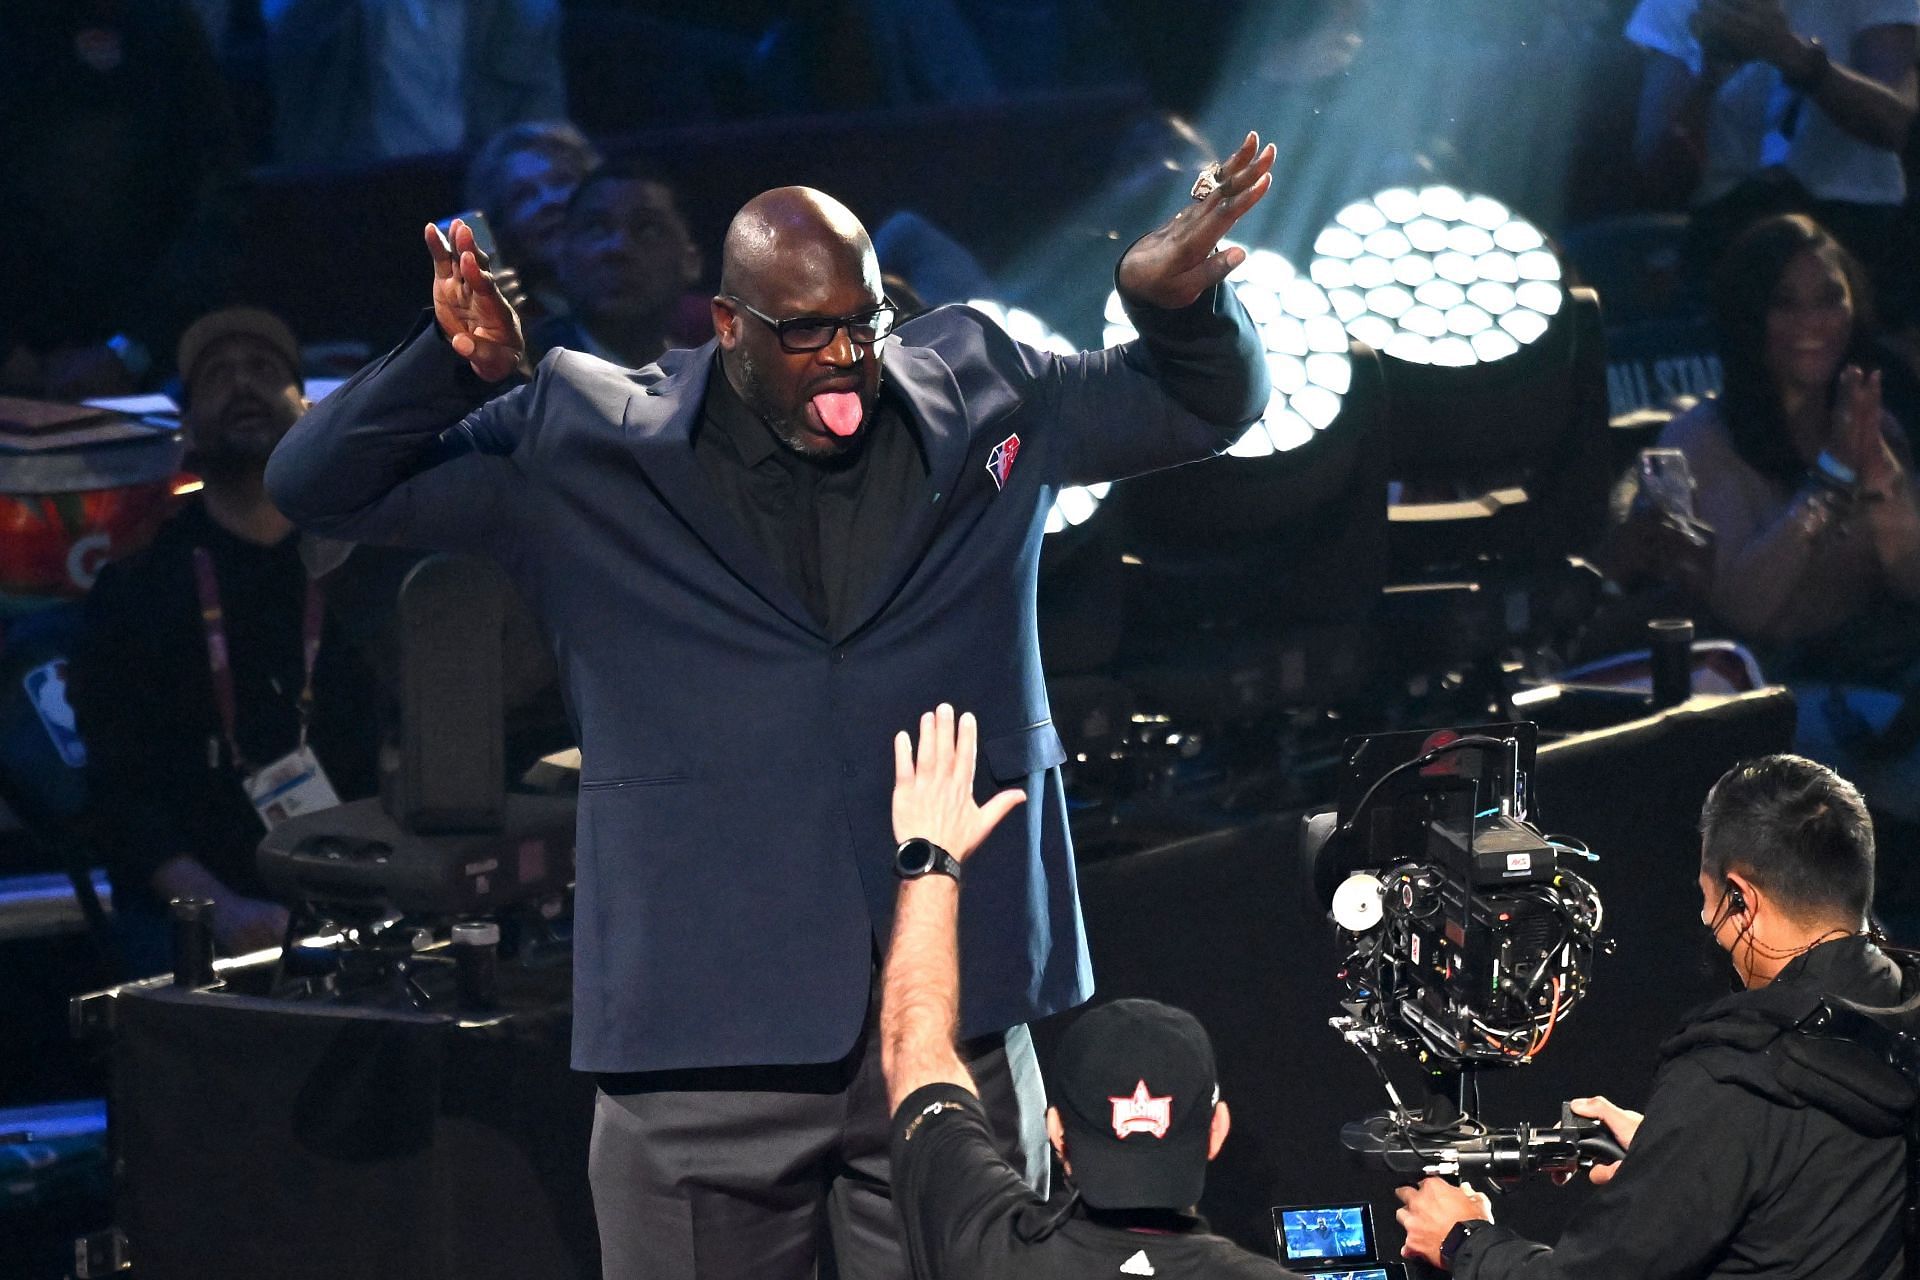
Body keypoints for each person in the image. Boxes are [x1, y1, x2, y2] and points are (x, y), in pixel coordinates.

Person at [265, 134, 1277, 1277]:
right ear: (728, 322)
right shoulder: (585, 436)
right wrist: (451, 366)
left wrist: (1170, 307)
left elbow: (1202, 406)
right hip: (702, 1036)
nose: (844, 359)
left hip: (950, 1019)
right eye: (807, 333)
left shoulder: (984, 390)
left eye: (862, 324)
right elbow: (315, 483)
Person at [1396, 753, 1918, 1279]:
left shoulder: (1731, 1079)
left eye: (1708, 898)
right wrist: (1677, 1151)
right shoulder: (1903, 1022)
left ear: (1742, 900)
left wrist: (1463, 1240)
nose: (1704, 918)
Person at [881, 703, 1302, 1279]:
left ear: (1056, 1135)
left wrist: (932, 861)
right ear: (1216, 1131)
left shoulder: (981, 1250)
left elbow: (914, 1044)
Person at [68, 308, 380, 975]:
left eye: (265, 371)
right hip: (199, 918)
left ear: (308, 413)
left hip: (366, 901)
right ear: (185, 427)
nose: (243, 385)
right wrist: (222, 910)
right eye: (217, 376)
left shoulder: (367, 574)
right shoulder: (138, 588)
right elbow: (121, 797)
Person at [1657, 215, 1920, 817]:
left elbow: (1912, 581)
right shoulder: (1701, 438)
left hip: (1879, 678)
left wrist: (1878, 473)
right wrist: (1829, 479)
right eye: (1785, 304)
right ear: (1751, 318)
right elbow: (1747, 607)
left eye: (1830, 300)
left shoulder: (1875, 427)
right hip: (1768, 707)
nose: (1813, 324)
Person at [0, 0, 245, 400]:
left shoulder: (167, 27)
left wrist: (132, 350)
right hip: (19, 367)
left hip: (148, 366)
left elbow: (219, 199)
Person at [1626, 0, 1918, 283]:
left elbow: (1895, 127)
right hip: (1725, 229)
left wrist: (1789, 53)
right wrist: (1709, 75)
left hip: (1852, 223)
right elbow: (1656, 175)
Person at [265, 0, 564, 166]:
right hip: (352, 192)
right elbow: (284, 40)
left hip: (479, 195)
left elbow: (544, 138)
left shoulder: (526, 11)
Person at [525, 160, 707, 369]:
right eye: (595, 228)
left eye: (647, 230)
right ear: (563, 260)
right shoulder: (520, 375)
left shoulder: (707, 378)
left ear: (691, 262)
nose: (618, 248)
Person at [463, 120, 604, 332]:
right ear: (502, 227)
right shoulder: (511, 331)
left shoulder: (657, 294)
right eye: (523, 196)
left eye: (561, 182)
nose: (548, 201)